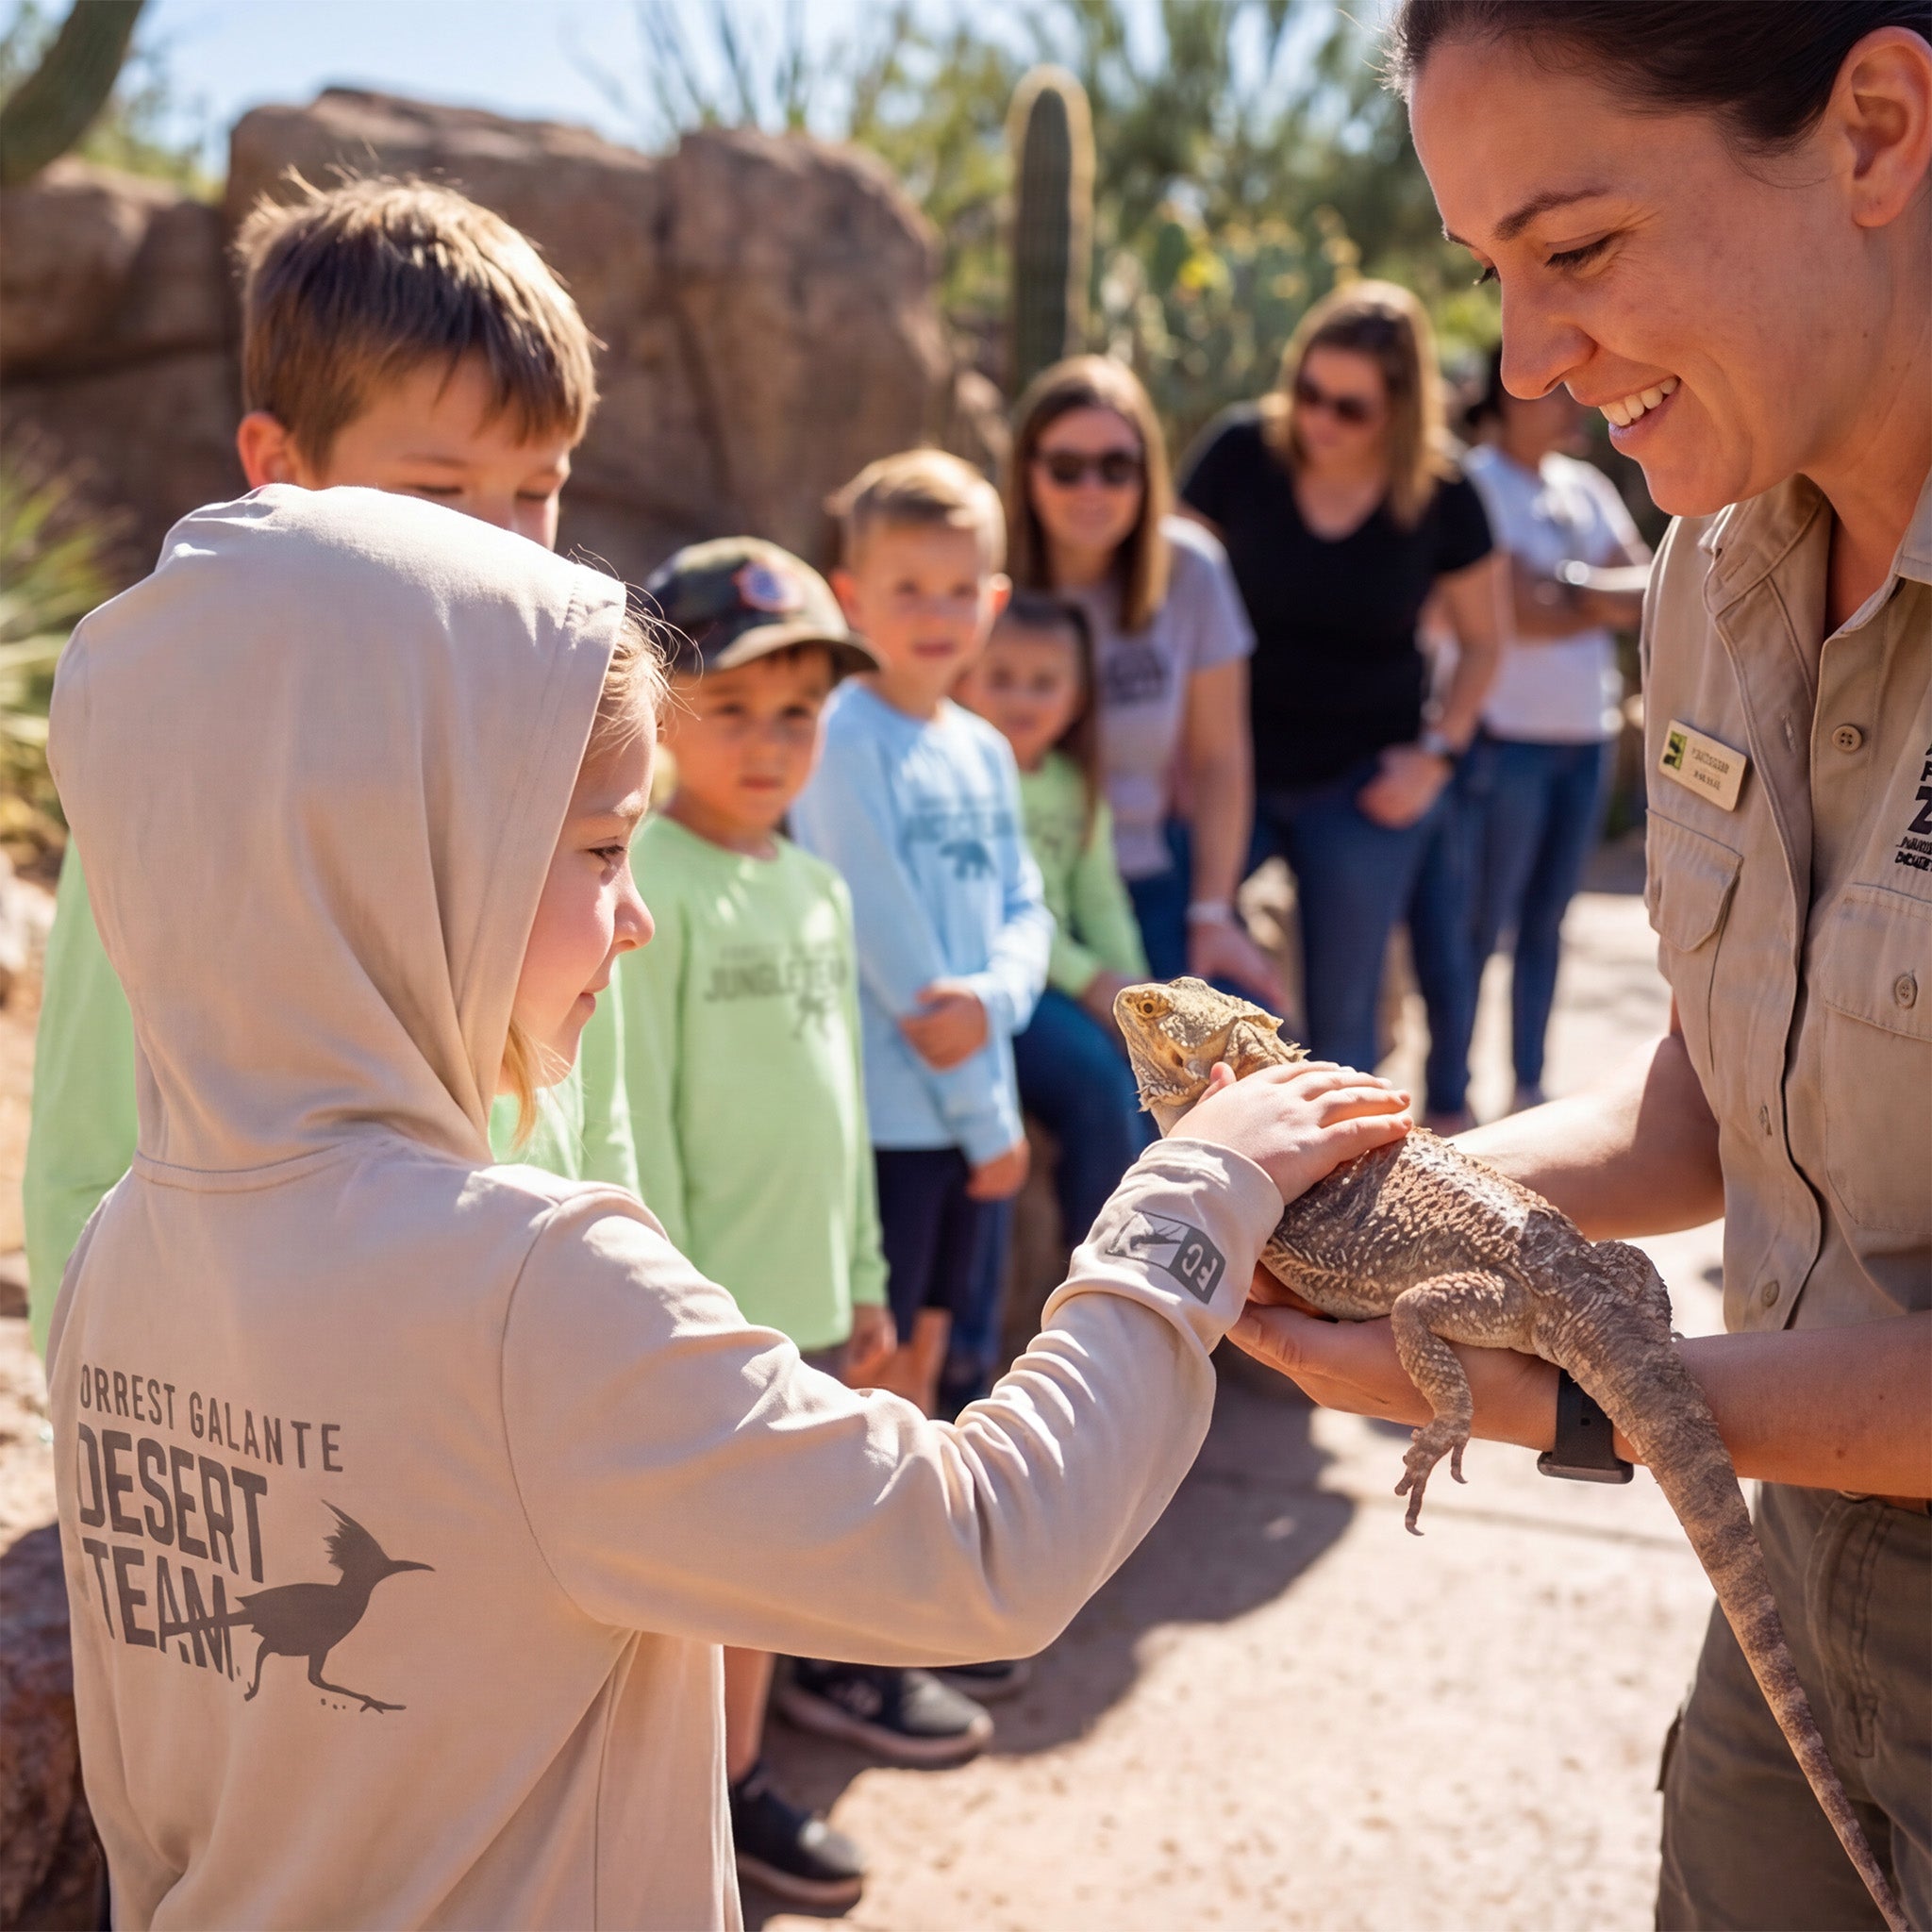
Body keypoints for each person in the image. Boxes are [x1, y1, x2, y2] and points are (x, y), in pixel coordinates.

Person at [45, 482, 1413, 1930]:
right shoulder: (530, 1291)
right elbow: (982, 1545)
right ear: (403, 855)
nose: (636, 914)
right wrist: (1198, 1194)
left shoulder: (116, 1254)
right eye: (595, 850)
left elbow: (145, 1815)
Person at [1237, 7, 1932, 1927]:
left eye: (1580, 248)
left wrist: (1580, 1388)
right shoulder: (1710, 564)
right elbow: (1705, 1097)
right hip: (1786, 1582)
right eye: (1486, 272)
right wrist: (1335, 1194)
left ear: (1872, 129)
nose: (1524, 358)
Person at [21, 175, 639, 1360]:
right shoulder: (186, 786)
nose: (501, 541)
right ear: (278, 466)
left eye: (539, 488)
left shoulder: (566, 771)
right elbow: (89, 1172)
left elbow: (589, 1122)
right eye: (439, 491)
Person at [613, 539, 892, 1905]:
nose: (772, 743)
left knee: (774, 1562)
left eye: (801, 714)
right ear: (663, 715)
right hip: (703, 1311)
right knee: (701, 1578)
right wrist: (669, 1304)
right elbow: (640, 1120)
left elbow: (839, 1111)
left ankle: (739, 1774)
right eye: (734, 709)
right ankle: (698, 1799)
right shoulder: (645, 884)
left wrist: (864, 1275)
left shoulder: (816, 887)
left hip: (810, 1304)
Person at [1178, 282, 1505, 1118]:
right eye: (1309, 393)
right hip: (1233, 764)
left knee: (1344, 1017)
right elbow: (1167, 594)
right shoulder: (1240, 454)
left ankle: (1341, 1216)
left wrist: (1436, 757)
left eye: (1350, 407)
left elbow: (1485, 641)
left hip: (1363, 780)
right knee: (1183, 974)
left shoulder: (1445, 493)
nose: (1320, 419)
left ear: (1398, 410)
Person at [790, 449, 1048, 1430]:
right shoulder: (841, 740)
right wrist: (988, 1121)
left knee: (946, 1350)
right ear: (853, 597)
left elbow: (1025, 906)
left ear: (992, 598)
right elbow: (895, 956)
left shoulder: (980, 747)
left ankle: (926, 1555)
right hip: (893, 1119)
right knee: (879, 1354)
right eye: (908, 590)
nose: (936, 616)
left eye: (956, 591)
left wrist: (998, 999)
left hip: (977, 1103)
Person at [1005, 356, 1282, 1003]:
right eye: (1065, 468)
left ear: (1148, 472)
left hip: (1141, 871)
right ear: (1027, 471)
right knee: (1106, 1086)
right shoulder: (987, 578)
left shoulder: (1190, 570)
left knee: (1244, 1046)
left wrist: (1213, 911)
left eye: (1117, 467)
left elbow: (1220, 758)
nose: (1091, 489)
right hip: (1017, 890)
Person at [1461, 345, 1653, 1111]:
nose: (1571, 402)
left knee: (1548, 920)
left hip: (1588, 735)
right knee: (1481, 923)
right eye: (1551, 393)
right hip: (1505, 739)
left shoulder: (1587, 485)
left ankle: (1528, 1089)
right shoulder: (1475, 485)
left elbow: (1648, 589)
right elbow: (1514, 615)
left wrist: (1566, 587)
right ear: (1504, 397)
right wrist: (1590, 598)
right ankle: (1453, 1088)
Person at [955, 591, 1156, 1254]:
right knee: (1098, 1081)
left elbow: (1098, 898)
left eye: (1044, 683)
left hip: (1069, 979)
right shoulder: (965, 774)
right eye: (1002, 678)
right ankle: (1105, 1268)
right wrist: (1087, 980)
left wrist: (1136, 995)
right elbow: (989, 905)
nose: (1023, 699)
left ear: (1078, 697)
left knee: (1148, 1075)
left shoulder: (1075, 784)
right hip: (1007, 980)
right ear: (967, 678)